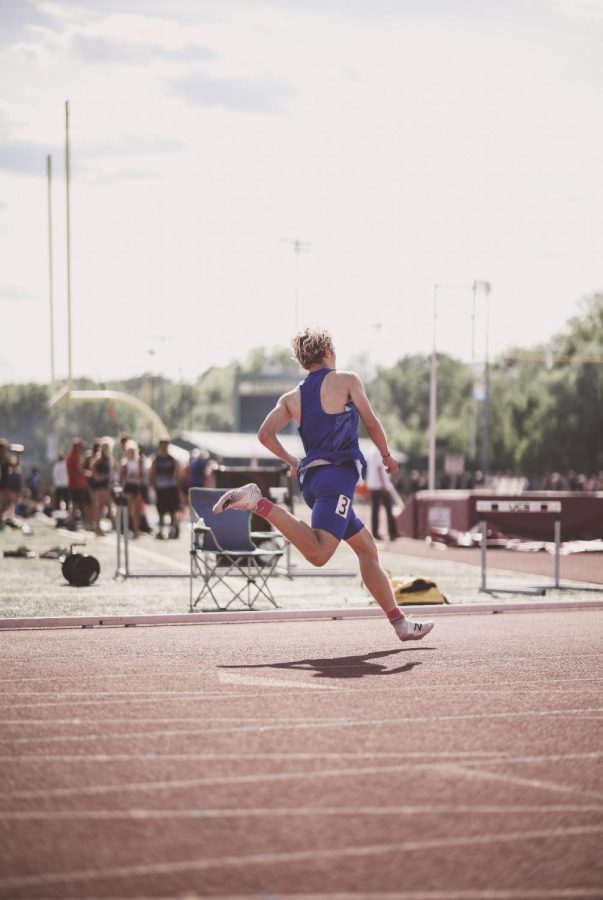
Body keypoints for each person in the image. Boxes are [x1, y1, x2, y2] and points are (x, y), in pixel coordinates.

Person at [213, 327, 434, 643]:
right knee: (318, 554)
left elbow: (264, 434)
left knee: (366, 548)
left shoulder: (292, 398)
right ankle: (257, 502)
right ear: (328, 349)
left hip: (314, 481)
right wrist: (386, 456)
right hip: (337, 478)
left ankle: (399, 623)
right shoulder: (346, 380)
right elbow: (371, 422)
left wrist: (291, 460)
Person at [365, 447, 398, 541]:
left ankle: (375, 532)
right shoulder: (380, 452)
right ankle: (392, 532)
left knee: (375, 510)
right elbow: (379, 468)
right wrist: (384, 485)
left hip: (373, 484)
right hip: (380, 485)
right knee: (388, 508)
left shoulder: (371, 452)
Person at [150, 438, 181, 539]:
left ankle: (172, 530)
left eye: (166, 446)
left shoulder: (172, 459)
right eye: (162, 446)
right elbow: (152, 474)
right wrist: (154, 486)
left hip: (171, 488)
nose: (164, 448)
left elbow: (178, 473)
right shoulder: (156, 459)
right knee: (161, 511)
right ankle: (161, 531)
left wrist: (176, 486)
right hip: (160, 489)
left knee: (172, 511)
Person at [120, 440, 145, 537]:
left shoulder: (138, 462)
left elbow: (142, 475)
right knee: (129, 510)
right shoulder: (125, 463)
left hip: (136, 486)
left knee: (137, 510)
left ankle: (136, 530)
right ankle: (126, 529)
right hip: (129, 487)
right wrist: (129, 477)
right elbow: (121, 477)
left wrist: (138, 475)